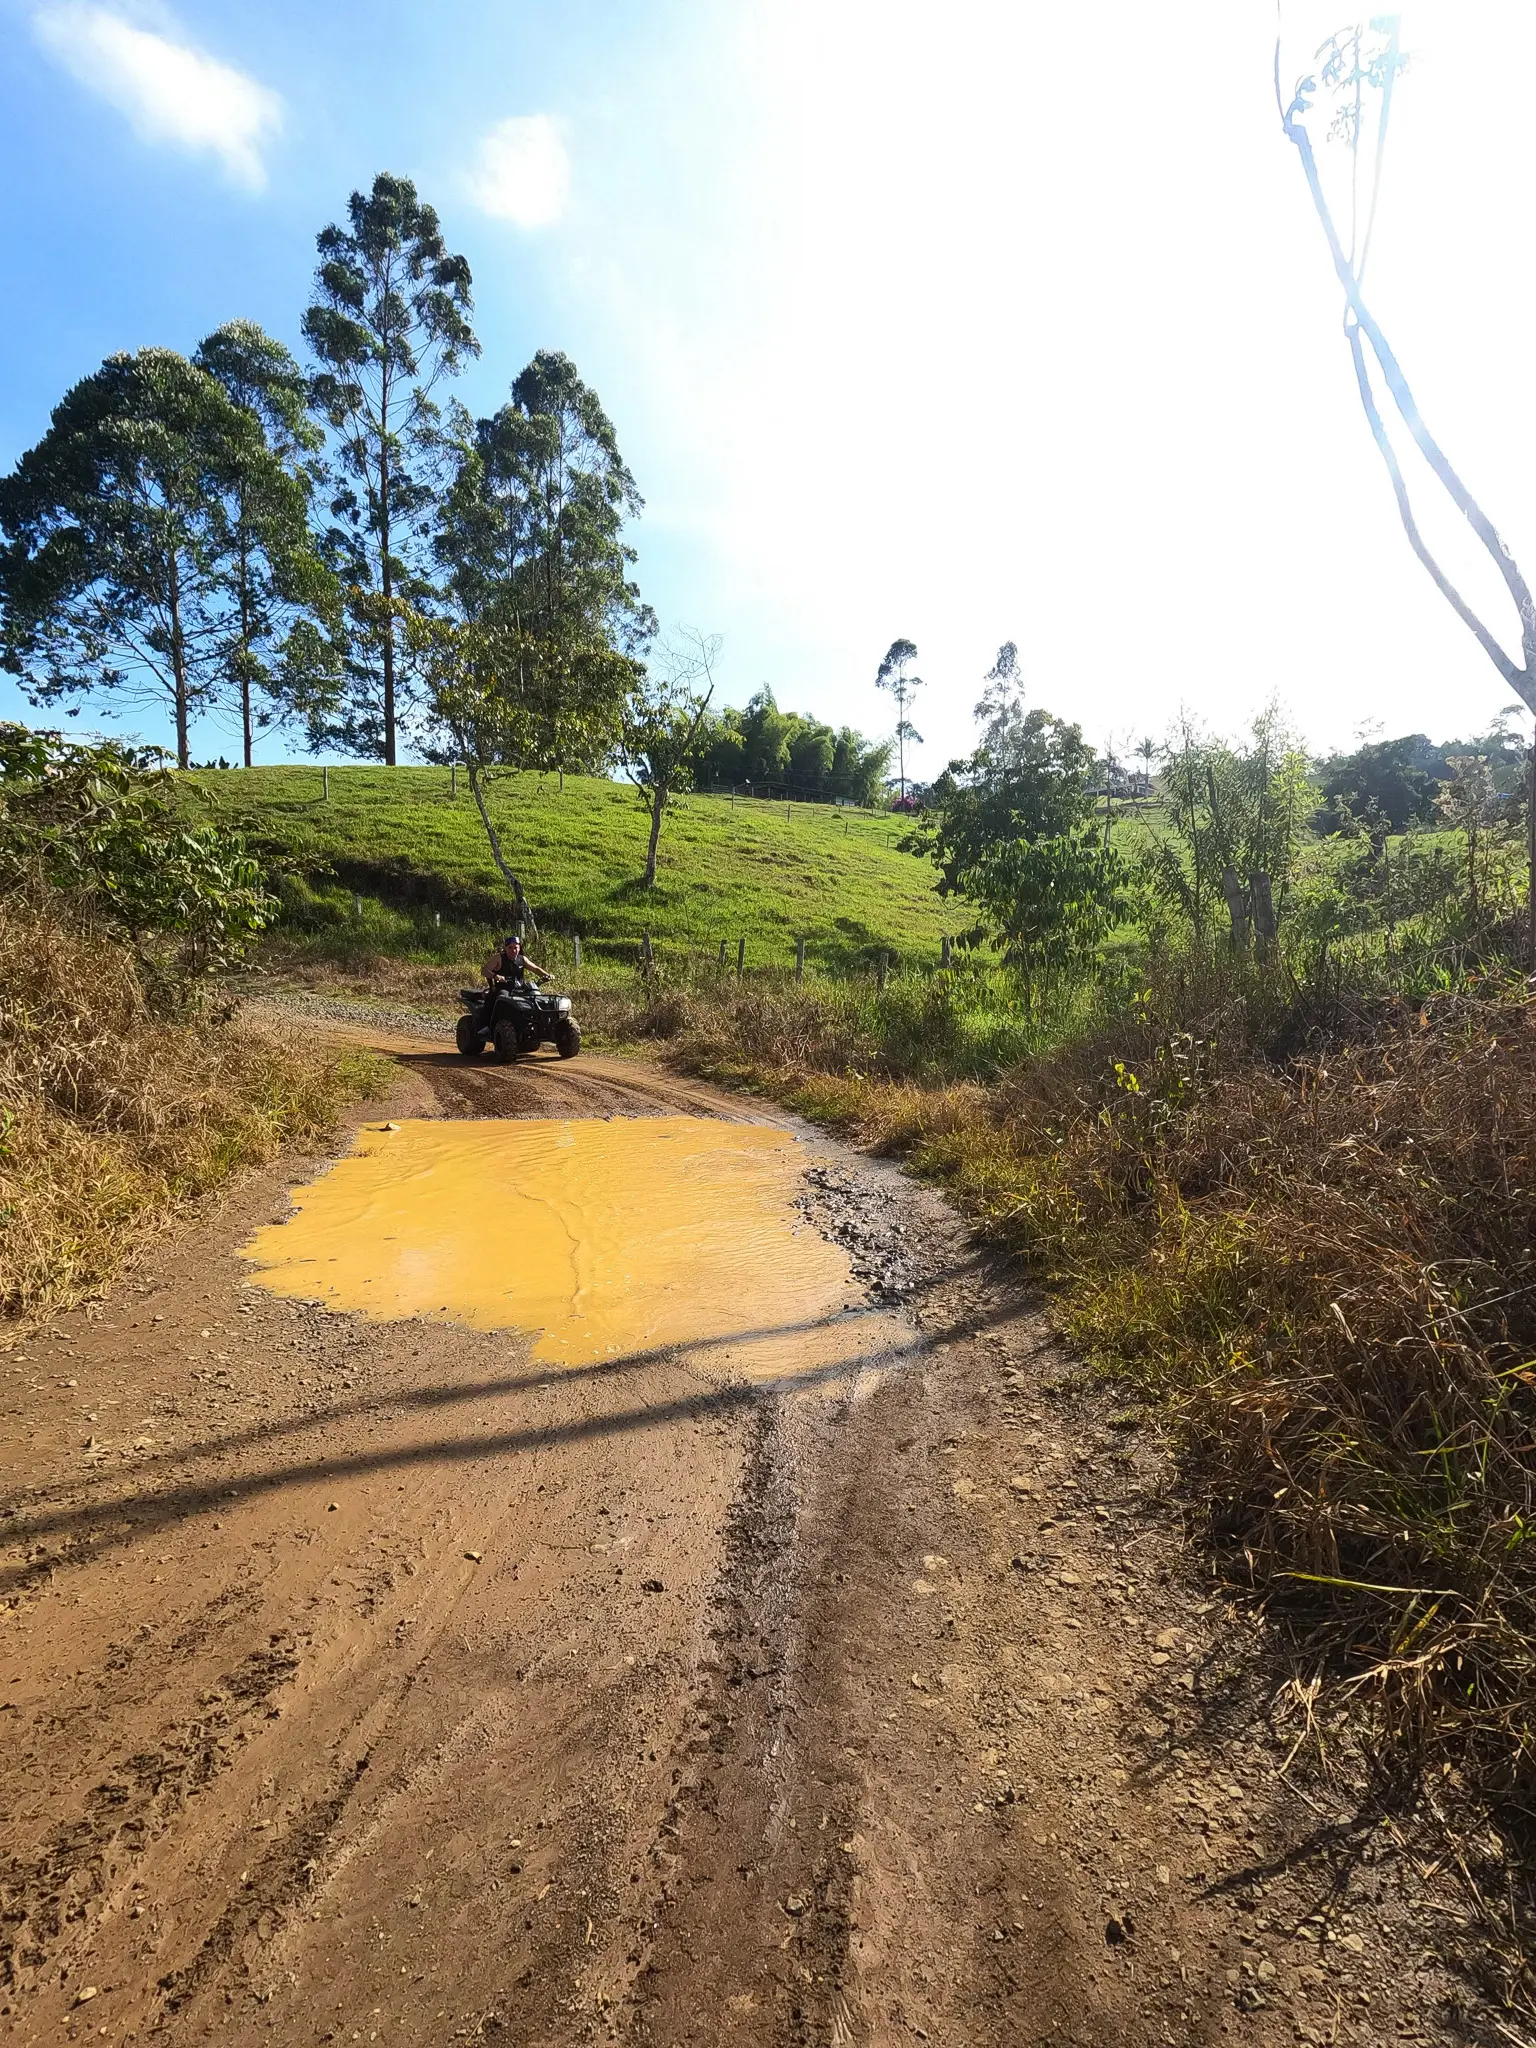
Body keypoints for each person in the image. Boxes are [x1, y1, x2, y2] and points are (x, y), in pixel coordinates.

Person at [482, 933, 549, 991]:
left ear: (519, 948)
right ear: (506, 948)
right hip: (503, 990)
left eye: (515, 948)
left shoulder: (522, 959)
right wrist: (496, 976)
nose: (513, 950)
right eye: (510, 948)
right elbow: (484, 971)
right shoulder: (498, 958)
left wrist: (546, 975)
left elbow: (535, 969)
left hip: (520, 990)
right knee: (503, 997)